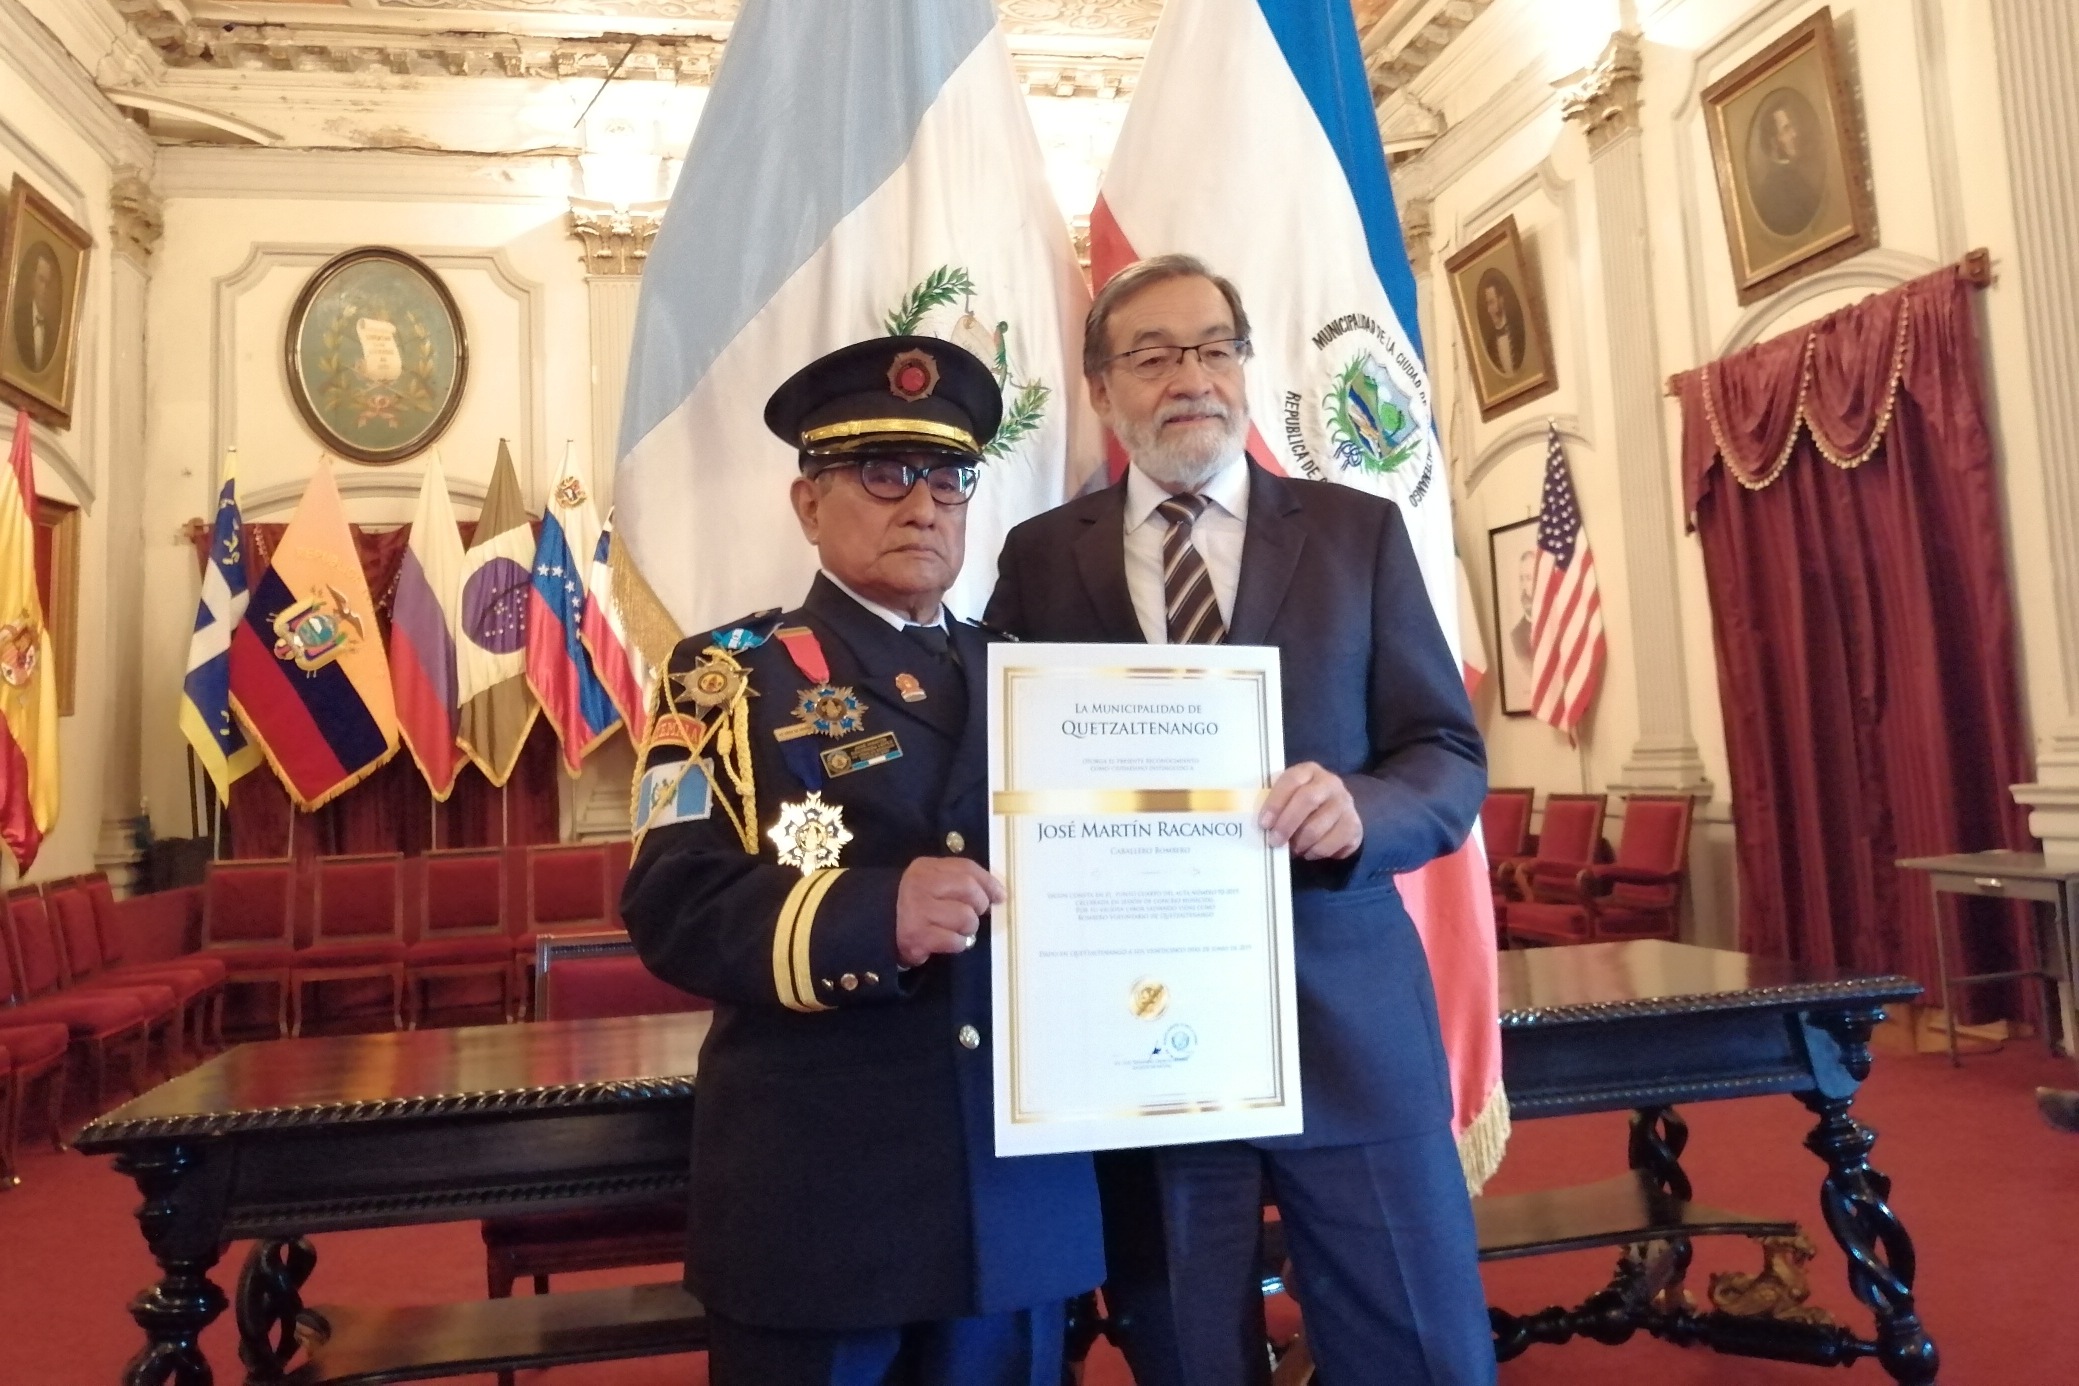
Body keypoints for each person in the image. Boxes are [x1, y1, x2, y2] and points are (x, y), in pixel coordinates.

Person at [986, 254, 1494, 1386]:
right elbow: (1006, 775)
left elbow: (1449, 757)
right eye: (1155, 355)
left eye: (1216, 347)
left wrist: (1358, 807)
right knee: (1187, 1353)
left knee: (1417, 1341)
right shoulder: (1038, 558)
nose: (1193, 378)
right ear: (1103, 386)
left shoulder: (1358, 534)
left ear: (1248, 368)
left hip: (1349, 1015)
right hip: (1143, 1026)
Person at [621, 336, 1102, 1386]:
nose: (922, 506)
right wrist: (871, 916)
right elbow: (670, 901)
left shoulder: (1040, 682)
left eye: (948, 478)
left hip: (1015, 1195)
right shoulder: (720, 679)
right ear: (808, 503)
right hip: (821, 1205)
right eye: (882, 475)